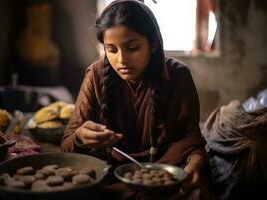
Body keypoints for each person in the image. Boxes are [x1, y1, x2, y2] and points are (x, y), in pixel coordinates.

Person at [61, 0, 211, 199]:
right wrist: (80, 137)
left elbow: (191, 140)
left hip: (164, 172)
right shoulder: (96, 75)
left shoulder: (177, 76)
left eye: (132, 47)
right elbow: (66, 145)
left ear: (154, 44)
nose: (121, 60)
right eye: (111, 49)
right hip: (109, 174)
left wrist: (196, 162)